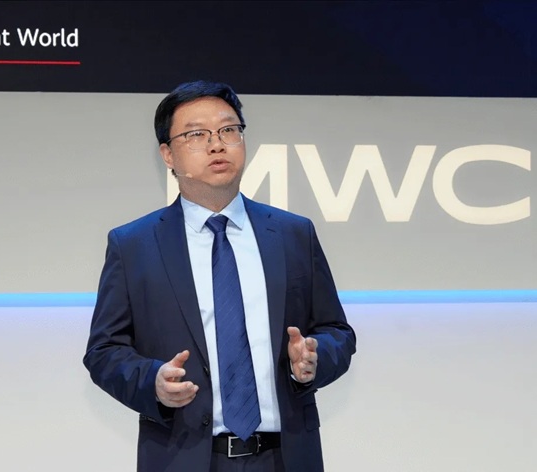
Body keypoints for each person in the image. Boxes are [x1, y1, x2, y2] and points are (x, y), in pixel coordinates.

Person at [83, 80, 356, 472]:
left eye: (229, 130)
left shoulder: (292, 234)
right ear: (168, 154)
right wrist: (152, 381)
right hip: (183, 458)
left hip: (285, 458)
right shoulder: (134, 245)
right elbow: (104, 352)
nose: (217, 145)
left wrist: (313, 359)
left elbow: (336, 332)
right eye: (197, 135)